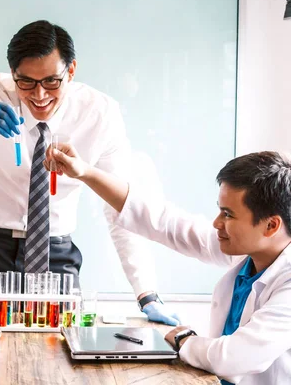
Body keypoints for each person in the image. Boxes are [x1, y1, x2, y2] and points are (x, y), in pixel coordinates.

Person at [0, 19, 179, 325]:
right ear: (13, 74)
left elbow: (119, 206)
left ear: (70, 71)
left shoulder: (99, 114)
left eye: (51, 81)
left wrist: (147, 293)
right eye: (26, 82)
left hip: (55, 251)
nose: (39, 95)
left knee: (59, 350)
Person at [47, 144, 291, 384]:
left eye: (228, 214)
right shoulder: (247, 251)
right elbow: (162, 221)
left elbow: (232, 358)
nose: (216, 223)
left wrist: (184, 339)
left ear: (271, 225)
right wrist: (85, 172)